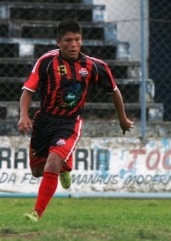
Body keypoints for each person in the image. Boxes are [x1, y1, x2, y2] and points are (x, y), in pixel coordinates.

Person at [18, 19, 134, 221]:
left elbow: (114, 91)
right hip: (44, 121)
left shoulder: (94, 66)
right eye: (68, 40)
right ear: (58, 42)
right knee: (37, 171)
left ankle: (37, 213)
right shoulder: (46, 61)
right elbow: (27, 91)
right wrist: (24, 115)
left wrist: (122, 118)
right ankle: (66, 165)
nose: (73, 45)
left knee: (52, 163)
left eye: (77, 40)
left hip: (69, 123)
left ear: (82, 41)